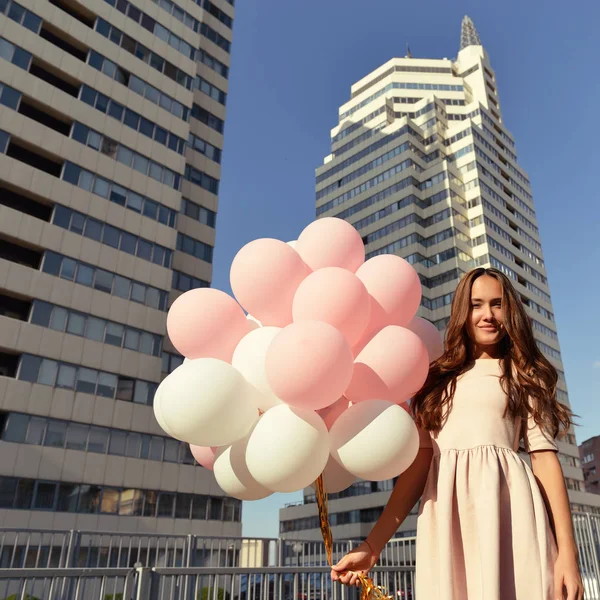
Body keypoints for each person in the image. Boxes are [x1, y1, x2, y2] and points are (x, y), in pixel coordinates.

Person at [330, 267, 584, 600]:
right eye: (477, 304)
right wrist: (371, 546)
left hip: (511, 517)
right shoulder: (433, 380)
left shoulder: (521, 373)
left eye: (497, 304)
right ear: (462, 312)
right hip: (447, 523)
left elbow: (545, 461)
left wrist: (568, 553)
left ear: (511, 311)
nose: (487, 315)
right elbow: (417, 472)